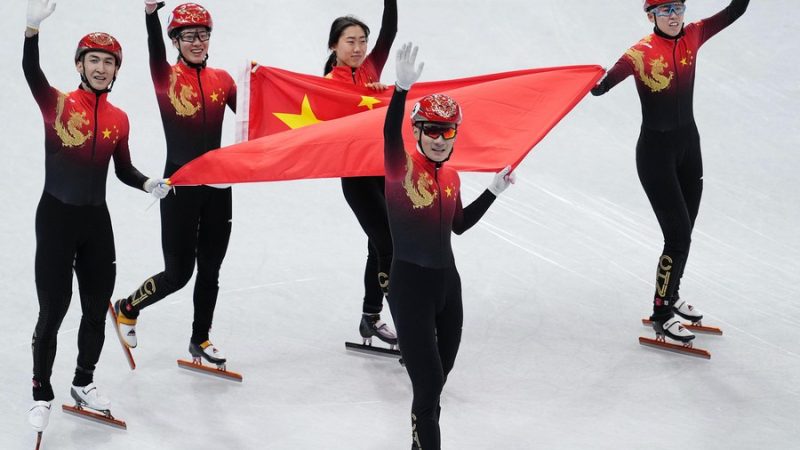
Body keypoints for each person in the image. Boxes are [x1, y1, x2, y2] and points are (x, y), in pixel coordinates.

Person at [23, 0, 169, 433]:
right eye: (94, 60)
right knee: (53, 310)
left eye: (109, 62)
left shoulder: (119, 119)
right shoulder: (58, 104)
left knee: (93, 306)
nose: (102, 68)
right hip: (55, 218)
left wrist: (148, 184)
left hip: (95, 222)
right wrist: (32, 30)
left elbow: (122, 169)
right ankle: (41, 392)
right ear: (80, 65)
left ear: (116, 69)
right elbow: (33, 75)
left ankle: (83, 382)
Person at [591, 0, 750, 342]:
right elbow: (604, 84)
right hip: (655, 157)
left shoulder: (695, 34)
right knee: (676, 236)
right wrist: (591, 82)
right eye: (666, 11)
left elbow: (735, 11)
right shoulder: (639, 53)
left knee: (685, 233)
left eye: (678, 8)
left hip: (689, 149)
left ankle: (671, 294)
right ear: (651, 16)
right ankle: (662, 312)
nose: (675, 17)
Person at [386, 43, 515, 449]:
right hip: (410, 288)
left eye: (449, 132)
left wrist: (493, 191)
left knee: (437, 381)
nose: (441, 140)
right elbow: (389, 132)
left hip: (447, 288)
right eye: (433, 131)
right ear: (418, 131)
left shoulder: (453, 177)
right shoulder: (399, 167)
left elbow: (458, 226)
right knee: (426, 387)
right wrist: (401, 90)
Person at [114, 1, 237, 368]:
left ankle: (201, 338)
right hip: (179, 186)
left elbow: (251, 117)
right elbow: (153, 47)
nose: (198, 42)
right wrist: (151, 13)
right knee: (179, 274)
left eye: (203, 34)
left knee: (211, 270)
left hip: (217, 186)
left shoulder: (223, 80)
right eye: (189, 36)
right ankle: (127, 307)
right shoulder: (165, 76)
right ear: (175, 41)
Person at [324, 0, 399, 349]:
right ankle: (405, 318)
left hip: (384, 172)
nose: (358, 48)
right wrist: (359, 100)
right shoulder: (326, 83)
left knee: (377, 246)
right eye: (350, 41)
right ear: (334, 46)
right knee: (389, 244)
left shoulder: (371, 69)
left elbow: (390, 33)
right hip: (356, 177)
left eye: (361, 41)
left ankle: (370, 317)